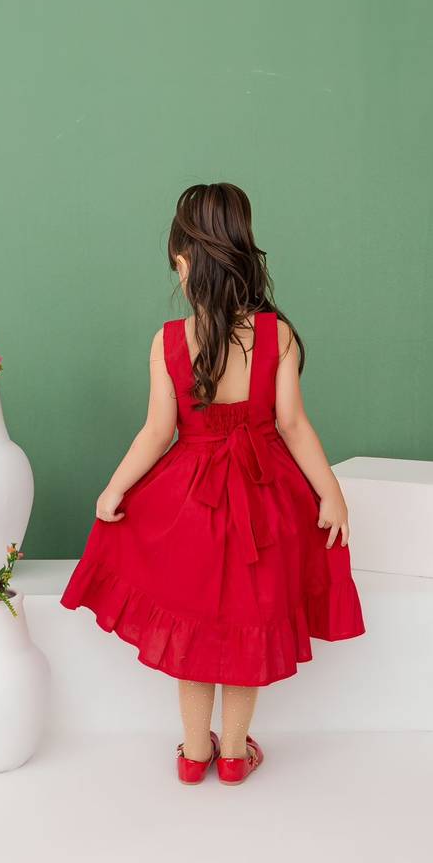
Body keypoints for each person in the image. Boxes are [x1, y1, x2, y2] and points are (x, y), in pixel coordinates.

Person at [60, 182, 365, 785]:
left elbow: (157, 432)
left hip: (191, 503)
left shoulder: (170, 341)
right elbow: (292, 424)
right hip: (265, 497)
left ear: (182, 262)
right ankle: (233, 756)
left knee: (195, 629)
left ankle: (194, 754)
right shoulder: (275, 334)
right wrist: (331, 492)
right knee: (248, 626)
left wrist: (114, 490)